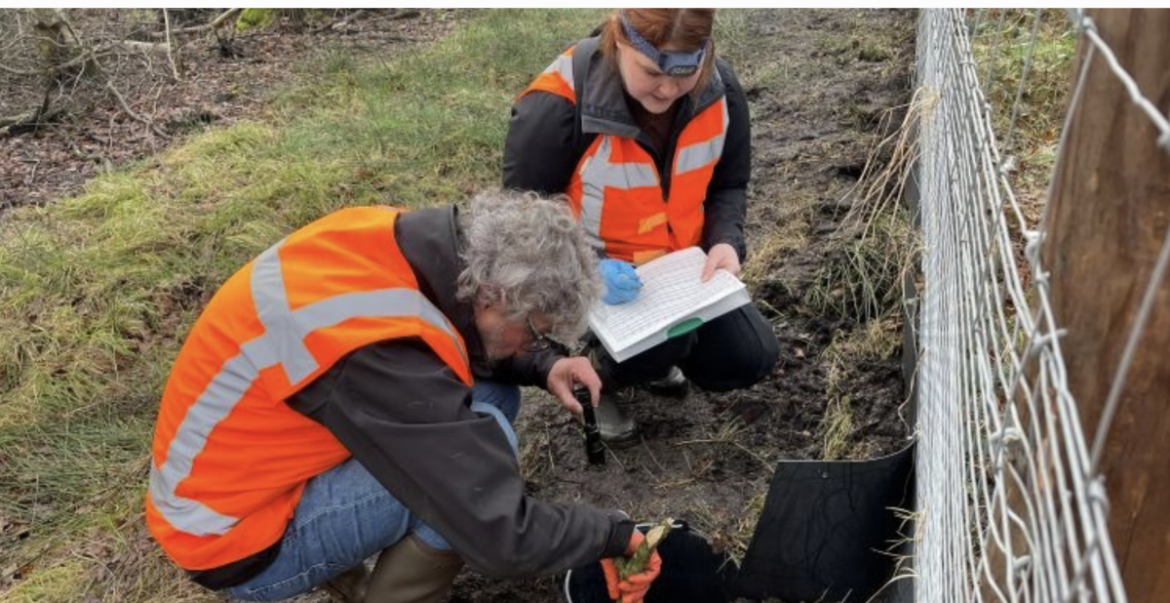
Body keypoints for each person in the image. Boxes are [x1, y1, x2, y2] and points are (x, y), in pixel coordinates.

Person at [145, 191, 661, 603]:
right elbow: (499, 532)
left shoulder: (399, 242)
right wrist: (612, 536)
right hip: (237, 542)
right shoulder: (372, 350)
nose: (531, 343)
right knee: (481, 453)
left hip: (235, 475)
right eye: (534, 332)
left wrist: (543, 364)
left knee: (491, 397)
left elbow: (457, 336)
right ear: (494, 297)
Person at [503, 9, 781, 445]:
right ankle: (592, 376)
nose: (668, 89)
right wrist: (587, 271)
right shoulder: (557, 105)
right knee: (660, 345)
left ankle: (651, 359)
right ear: (620, 39)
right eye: (652, 72)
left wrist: (726, 240)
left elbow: (730, 184)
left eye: (685, 74)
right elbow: (519, 226)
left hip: (679, 280)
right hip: (586, 286)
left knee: (749, 356)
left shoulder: (720, 89)